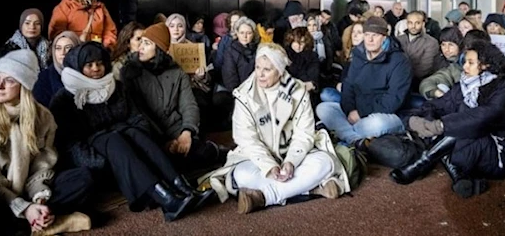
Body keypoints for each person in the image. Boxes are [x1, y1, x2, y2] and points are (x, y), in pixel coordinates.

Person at [50, 42, 212, 222]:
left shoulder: (115, 87)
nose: (96, 68)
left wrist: (135, 137)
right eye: (89, 65)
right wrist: (99, 162)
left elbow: (137, 118)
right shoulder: (64, 98)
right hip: (100, 157)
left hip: (126, 147)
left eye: (99, 63)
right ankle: (165, 198)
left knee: (135, 134)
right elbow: (69, 144)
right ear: (78, 68)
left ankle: (182, 187)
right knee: (113, 140)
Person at [200, 43, 350, 214]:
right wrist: (269, 166)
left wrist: (291, 162)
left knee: (325, 162)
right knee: (241, 175)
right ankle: (309, 190)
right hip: (258, 158)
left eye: (267, 69)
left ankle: (265, 197)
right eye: (258, 67)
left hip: (292, 155)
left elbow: (304, 134)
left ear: (280, 71)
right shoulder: (244, 94)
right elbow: (246, 139)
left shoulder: (298, 90)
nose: (260, 74)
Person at [391, 41, 505, 199]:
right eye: (465, 61)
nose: (465, 67)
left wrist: (440, 126)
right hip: (467, 147)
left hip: (498, 155)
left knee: (466, 121)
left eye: (471, 63)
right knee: (447, 123)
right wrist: (422, 120)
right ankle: (459, 176)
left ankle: (423, 162)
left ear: (485, 65)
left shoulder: (501, 90)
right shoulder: (464, 86)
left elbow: (485, 116)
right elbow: (437, 105)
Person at [0, 49, 94, 235]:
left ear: (24, 85)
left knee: (82, 178)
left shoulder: (43, 117)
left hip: (29, 189)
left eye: (9, 80)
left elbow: (43, 167)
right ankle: (45, 224)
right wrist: (24, 208)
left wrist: (40, 200)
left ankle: (39, 221)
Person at [121, 22, 223, 170]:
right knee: (155, 162)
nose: (140, 47)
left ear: (160, 49)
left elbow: (188, 105)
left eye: (147, 43)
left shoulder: (176, 72)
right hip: (149, 133)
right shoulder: (130, 72)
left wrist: (186, 133)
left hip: (176, 129)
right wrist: (164, 142)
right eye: (141, 42)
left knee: (199, 153)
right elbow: (140, 113)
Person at [316, 17, 411, 146]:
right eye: (366, 35)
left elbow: (393, 100)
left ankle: (345, 135)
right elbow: (348, 85)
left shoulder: (400, 61)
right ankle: (356, 140)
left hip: (383, 114)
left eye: (375, 35)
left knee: (375, 124)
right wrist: (350, 110)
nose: (370, 40)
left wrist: (360, 112)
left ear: (384, 37)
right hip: (356, 111)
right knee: (323, 108)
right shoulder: (359, 54)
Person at [48, 0, 118, 51]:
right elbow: (58, 33)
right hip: (72, 52)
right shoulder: (64, 7)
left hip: (96, 53)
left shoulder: (100, 8)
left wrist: (105, 47)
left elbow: (110, 31)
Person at [33, 31, 81, 108]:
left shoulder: (87, 73)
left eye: (68, 47)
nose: (62, 52)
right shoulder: (43, 78)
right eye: (58, 48)